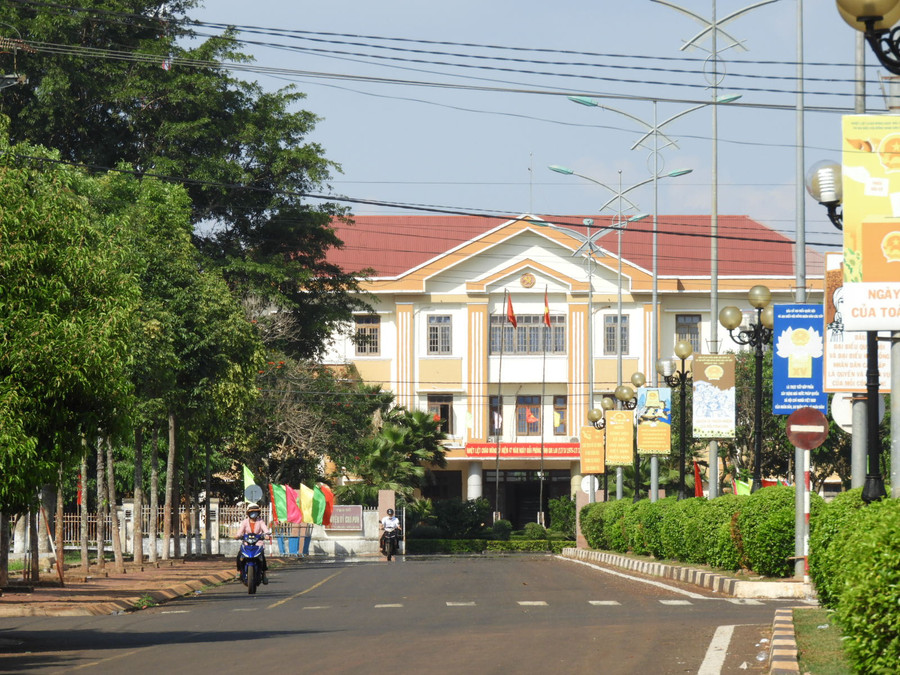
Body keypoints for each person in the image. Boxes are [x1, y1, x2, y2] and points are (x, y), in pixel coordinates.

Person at [234, 503, 271, 584]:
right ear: (248, 513)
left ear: (258, 513)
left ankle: (264, 574)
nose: (253, 514)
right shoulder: (244, 522)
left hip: (258, 544)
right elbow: (240, 531)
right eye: (252, 512)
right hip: (246, 544)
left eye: (255, 512)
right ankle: (239, 571)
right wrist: (237, 536)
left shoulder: (260, 521)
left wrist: (267, 535)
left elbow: (265, 530)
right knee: (239, 556)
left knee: (262, 558)